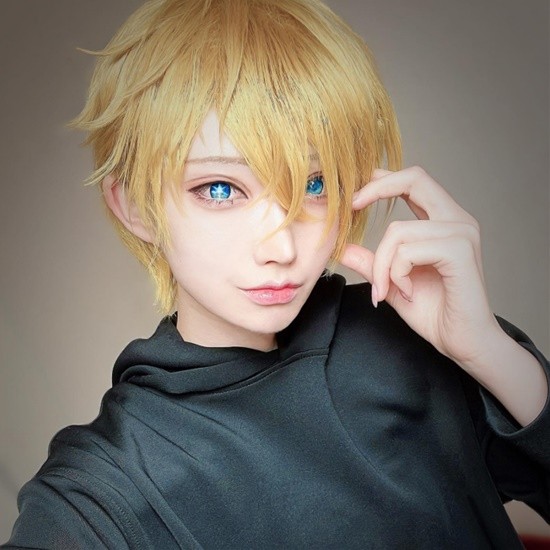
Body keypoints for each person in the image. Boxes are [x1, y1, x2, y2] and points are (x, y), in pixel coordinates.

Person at [3, 0, 549, 548]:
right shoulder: (103, 487)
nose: (282, 247)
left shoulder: (412, 335)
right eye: (220, 189)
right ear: (135, 206)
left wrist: (488, 352)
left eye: (314, 185)